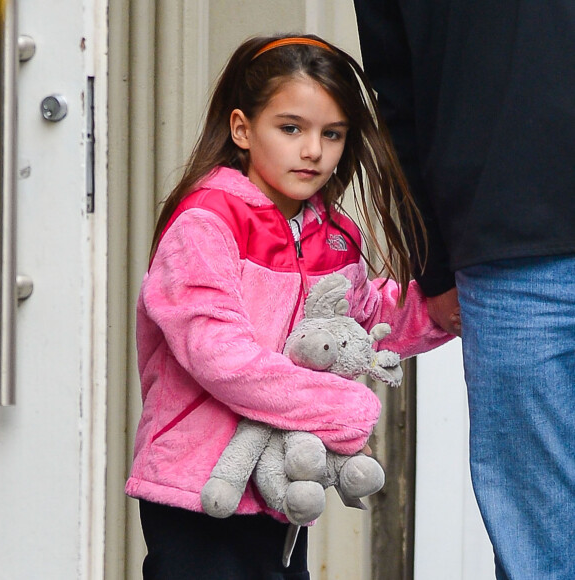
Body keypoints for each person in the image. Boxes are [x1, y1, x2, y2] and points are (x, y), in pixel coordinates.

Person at [125, 33, 452, 579]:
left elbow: (368, 326)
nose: (312, 151)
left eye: (332, 134)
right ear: (241, 129)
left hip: (282, 487)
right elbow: (219, 355)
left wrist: (441, 309)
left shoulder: (338, 235)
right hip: (197, 487)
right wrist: (338, 409)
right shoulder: (206, 224)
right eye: (291, 128)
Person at [353, 2, 575, 579]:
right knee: (539, 549)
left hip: (504, 251)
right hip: (506, 250)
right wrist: (433, 264)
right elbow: (395, 94)